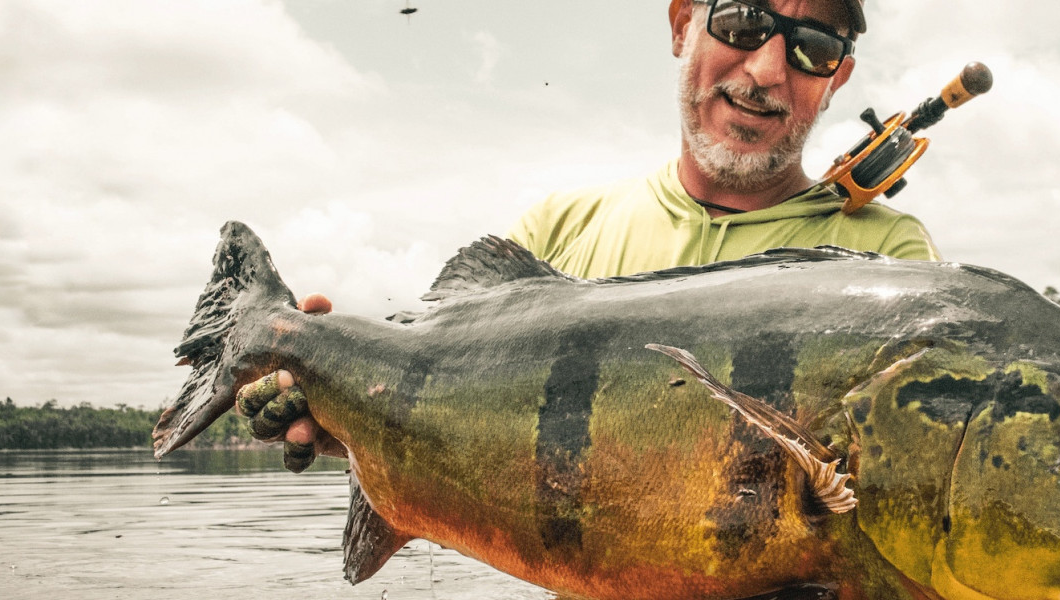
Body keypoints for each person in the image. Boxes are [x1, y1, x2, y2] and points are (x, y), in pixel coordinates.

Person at [237, 0, 939, 471]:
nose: (765, 69)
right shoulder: (555, 234)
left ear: (838, 78)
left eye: (813, 48)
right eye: (743, 21)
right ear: (681, 23)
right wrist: (345, 407)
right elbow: (438, 398)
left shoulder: (894, 268)